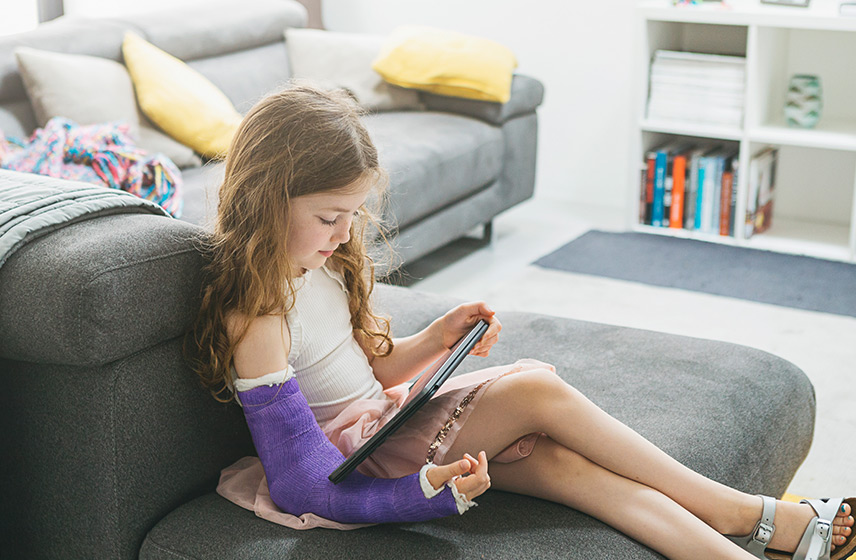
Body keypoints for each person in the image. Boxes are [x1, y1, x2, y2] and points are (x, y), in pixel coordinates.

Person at [186, 84, 854, 559]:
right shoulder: (258, 313)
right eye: (330, 217)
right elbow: (303, 482)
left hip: (389, 417)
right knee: (537, 393)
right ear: (270, 197)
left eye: (353, 217)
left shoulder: (324, 264)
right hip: (357, 461)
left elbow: (370, 369)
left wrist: (435, 339)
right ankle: (741, 510)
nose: (343, 234)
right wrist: (419, 496)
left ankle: (747, 545)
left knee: (568, 469)